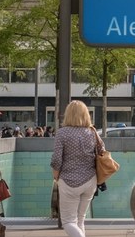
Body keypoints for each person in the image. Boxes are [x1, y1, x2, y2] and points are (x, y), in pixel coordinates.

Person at [51, 101, 100, 237]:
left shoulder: (62, 133)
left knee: (68, 222)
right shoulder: (92, 132)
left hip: (69, 181)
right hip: (90, 180)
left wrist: (56, 177)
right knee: (80, 219)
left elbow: (56, 160)